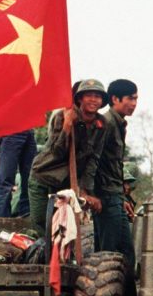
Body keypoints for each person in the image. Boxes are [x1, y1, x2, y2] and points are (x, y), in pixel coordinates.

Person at [27, 79, 107, 236]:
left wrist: (84, 190)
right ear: (79, 99)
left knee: (63, 229)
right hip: (43, 177)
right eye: (88, 95)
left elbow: (93, 160)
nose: (93, 100)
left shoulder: (101, 124)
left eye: (97, 96)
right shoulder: (63, 116)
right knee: (43, 224)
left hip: (65, 185)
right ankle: (41, 258)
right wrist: (67, 126)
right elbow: (57, 152)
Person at [94, 79, 138, 266]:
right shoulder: (106, 123)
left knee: (126, 253)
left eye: (136, 99)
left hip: (115, 196)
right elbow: (92, 161)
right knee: (108, 254)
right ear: (115, 99)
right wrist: (91, 194)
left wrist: (122, 197)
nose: (134, 104)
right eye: (130, 98)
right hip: (105, 196)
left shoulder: (119, 124)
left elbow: (116, 166)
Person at [0, 130, 37, 219]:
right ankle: (1, 221)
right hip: (11, 129)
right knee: (5, 181)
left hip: (28, 129)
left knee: (30, 180)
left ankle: (26, 213)